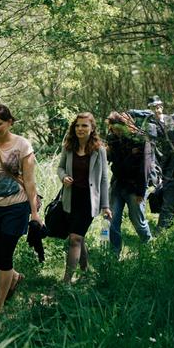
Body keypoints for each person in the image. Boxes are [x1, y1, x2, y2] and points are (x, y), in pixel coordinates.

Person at [0, 104, 41, 314]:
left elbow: (30, 182)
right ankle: (13, 276)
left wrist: (34, 213)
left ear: (10, 122)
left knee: (5, 254)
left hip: (16, 207)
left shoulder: (22, 145)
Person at [56, 112, 112, 283]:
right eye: (78, 125)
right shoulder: (68, 147)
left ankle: (66, 282)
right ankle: (85, 272)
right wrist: (63, 177)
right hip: (71, 199)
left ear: (92, 128)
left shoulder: (99, 150)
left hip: (89, 201)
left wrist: (105, 205)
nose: (80, 129)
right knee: (79, 237)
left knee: (75, 238)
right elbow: (60, 168)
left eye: (84, 125)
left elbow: (104, 179)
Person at [105, 111, 153, 257]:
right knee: (112, 220)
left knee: (138, 221)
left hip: (134, 186)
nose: (117, 132)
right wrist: (106, 151)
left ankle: (149, 247)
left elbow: (145, 167)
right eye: (114, 129)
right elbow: (110, 159)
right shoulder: (112, 139)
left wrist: (140, 192)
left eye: (119, 128)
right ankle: (114, 253)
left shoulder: (140, 139)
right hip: (117, 184)